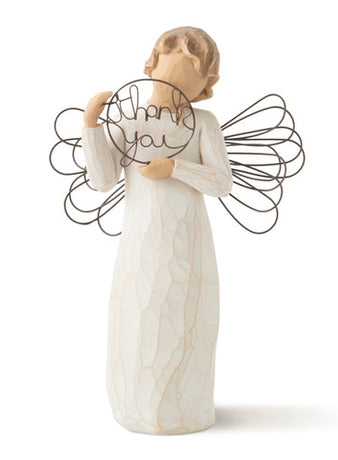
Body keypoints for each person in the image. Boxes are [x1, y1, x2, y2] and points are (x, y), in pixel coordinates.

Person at [82, 26, 233, 435]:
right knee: (140, 323)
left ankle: (187, 409)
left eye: (189, 81)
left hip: (190, 247)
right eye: (170, 75)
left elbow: (222, 182)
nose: (176, 88)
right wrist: (92, 125)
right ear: (151, 66)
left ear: (205, 86)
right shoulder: (129, 122)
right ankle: (135, 408)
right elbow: (101, 179)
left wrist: (176, 168)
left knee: (187, 322)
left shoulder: (203, 124)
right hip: (141, 248)